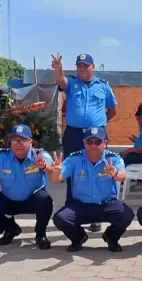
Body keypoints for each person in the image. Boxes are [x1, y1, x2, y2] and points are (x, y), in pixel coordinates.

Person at [52, 53, 118, 233]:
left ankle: (97, 216)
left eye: (85, 66)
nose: (81, 69)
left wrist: (100, 126)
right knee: (72, 172)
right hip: (74, 134)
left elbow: (112, 110)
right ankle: (71, 212)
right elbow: (61, 81)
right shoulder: (72, 84)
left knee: (99, 172)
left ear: (93, 67)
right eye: (79, 66)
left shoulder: (104, 87)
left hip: (96, 136)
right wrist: (58, 68)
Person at [50, 127, 134, 252]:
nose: (93, 146)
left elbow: (123, 176)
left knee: (126, 214)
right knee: (60, 218)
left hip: (106, 205)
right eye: (89, 142)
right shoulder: (74, 159)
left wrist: (114, 172)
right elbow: (57, 179)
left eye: (98, 142)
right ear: (84, 143)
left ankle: (111, 237)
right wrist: (55, 172)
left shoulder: (113, 158)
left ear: (105, 143)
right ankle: (78, 238)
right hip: (80, 205)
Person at [0, 124, 55, 249]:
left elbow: (52, 169)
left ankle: (40, 235)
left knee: (45, 200)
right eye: (14, 140)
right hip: (9, 199)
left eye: (22, 139)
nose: (18, 143)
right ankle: (11, 229)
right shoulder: (1, 156)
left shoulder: (39, 155)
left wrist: (43, 166)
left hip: (32, 199)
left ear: (30, 141)